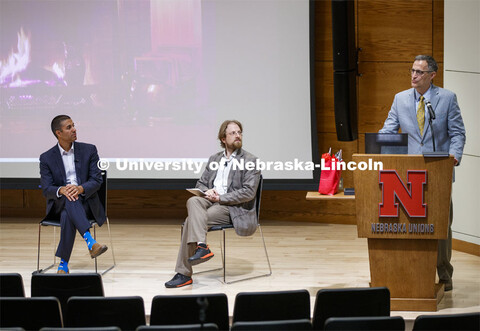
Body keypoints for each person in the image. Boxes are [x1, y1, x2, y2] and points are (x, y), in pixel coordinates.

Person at [379, 55, 466, 291]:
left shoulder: (446, 98)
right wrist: (376, 146)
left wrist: (454, 155)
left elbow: (457, 132)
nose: (414, 76)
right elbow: (388, 129)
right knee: (410, 222)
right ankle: (411, 269)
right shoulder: (400, 99)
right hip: (407, 172)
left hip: (439, 170)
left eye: (419, 72)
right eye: (412, 71)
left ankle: (444, 273)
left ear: (432, 76)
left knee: (440, 224)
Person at [165, 120, 261, 288]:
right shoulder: (214, 158)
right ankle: (202, 246)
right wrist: (207, 191)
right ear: (223, 138)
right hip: (211, 201)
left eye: (239, 132)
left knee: (190, 222)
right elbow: (201, 183)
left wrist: (221, 198)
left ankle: (184, 273)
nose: (238, 135)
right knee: (193, 199)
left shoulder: (250, 160)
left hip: (232, 207)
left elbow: (248, 192)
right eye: (233, 133)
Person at [39, 115, 108, 274]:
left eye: (74, 125)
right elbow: (47, 189)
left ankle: (63, 264)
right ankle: (90, 242)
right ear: (59, 133)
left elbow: (97, 180)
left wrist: (80, 189)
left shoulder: (89, 150)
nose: (74, 129)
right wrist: (61, 189)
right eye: (69, 127)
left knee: (68, 209)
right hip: (60, 202)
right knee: (68, 197)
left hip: (86, 202)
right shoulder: (47, 158)